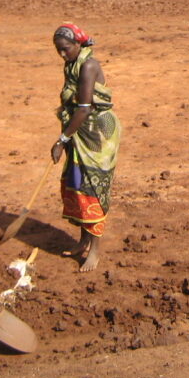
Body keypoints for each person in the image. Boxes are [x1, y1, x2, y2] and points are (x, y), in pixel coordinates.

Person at [51, 23, 121, 272]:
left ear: (79, 44)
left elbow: (84, 108)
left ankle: (95, 250)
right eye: (59, 50)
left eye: (66, 49)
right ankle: (83, 241)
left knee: (92, 188)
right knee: (77, 184)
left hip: (96, 136)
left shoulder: (88, 65)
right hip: (77, 131)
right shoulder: (71, 64)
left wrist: (62, 140)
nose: (62, 54)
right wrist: (67, 136)